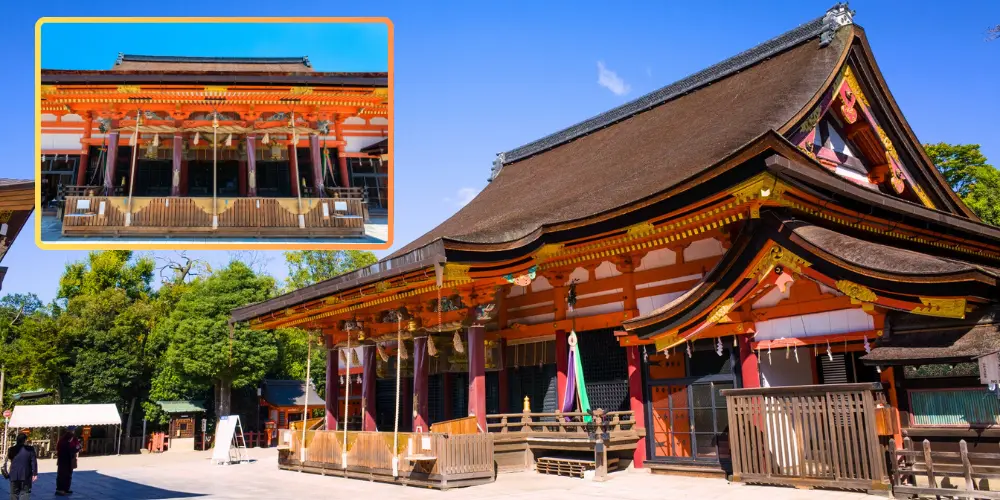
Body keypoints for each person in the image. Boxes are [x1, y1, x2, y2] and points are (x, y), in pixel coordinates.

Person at [5, 432, 38, 500]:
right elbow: (33, 462)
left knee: (14, 493)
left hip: (14, 474)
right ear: (25, 440)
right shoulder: (30, 449)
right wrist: (35, 473)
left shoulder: (11, 449)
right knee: (25, 493)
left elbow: (10, 459)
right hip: (26, 474)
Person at [55, 429, 80, 496]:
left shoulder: (72, 439)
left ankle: (66, 489)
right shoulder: (64, 441)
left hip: (69, 460)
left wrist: (77, 448)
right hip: (64, 460)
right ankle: (60, 489)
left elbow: (77, 446)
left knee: (68, 475)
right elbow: (71, 449)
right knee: (62, 475)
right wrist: (76, 448)